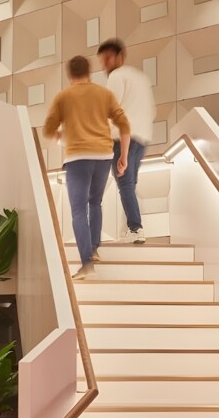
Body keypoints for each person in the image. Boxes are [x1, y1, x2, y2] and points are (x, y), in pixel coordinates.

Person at [43, 55, 131, 280]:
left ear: (69, 74)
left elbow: (48, 129)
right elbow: (124, 124)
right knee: (95, 203)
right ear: (89, 72)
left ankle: (86, 264)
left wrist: (63, 136)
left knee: (79, 210)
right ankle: (93, 249)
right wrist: (124, 157)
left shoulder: (63, 96)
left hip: (78, 158)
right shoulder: (104, 94)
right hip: (103, 155)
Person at [97, 38, 156, 244]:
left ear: (120, 55)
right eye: (102, 61)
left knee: (124, 183)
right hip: (143, 137)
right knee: (130, 183)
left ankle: (135, 228)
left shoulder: (116, 76)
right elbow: (151, 110)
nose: (105, 64)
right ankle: (133, 227)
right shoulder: (140, 78)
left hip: (123, 137)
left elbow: (110, 110)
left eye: (108, 59)